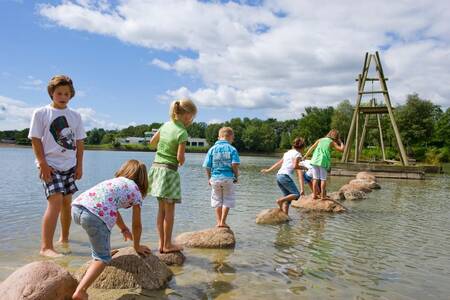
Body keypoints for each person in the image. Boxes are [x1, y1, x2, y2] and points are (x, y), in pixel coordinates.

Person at [71, 159, 151, 300]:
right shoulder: (136, 192)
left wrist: (123, 229)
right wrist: (136, 246)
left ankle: (102, 250)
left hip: (77, 208)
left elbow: (111, 208)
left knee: (96, 233)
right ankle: (81, 291)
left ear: (124, 171)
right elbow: (137, 224)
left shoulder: (114, 182)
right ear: (143, 180)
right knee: (103, 258)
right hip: (95, 215)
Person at [28, 75, 85, 257]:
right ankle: (46, 248)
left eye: (66, 94)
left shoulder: (75, 116)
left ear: (71, 95)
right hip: (50, 165)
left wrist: (79, 166)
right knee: (55, 202)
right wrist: (42, 163)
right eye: (59, 93)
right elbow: (35, 140)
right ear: (52, 93)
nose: (63, 96)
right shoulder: (41, 113)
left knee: (67, 203)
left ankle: (64, 239)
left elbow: (80, 143)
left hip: (70, 165)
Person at [148, 98, 197, 253]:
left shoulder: (165, 125)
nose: (192, 120)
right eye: (192, 116)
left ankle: (161, 244)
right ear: (187, 116)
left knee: (160, 210)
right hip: (169, 172)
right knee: (170, 211)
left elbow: (151, 142)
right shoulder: (182, 132)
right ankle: (168, 245)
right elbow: (179, 158)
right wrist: (182, 159)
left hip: (156, 169)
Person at [203, 127, 240, 228]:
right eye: (233, 138)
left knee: (217, 199)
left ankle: (218, 221)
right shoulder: (232, 149)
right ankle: (223, 222)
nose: (233, 140)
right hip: (228, 178)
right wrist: (236, 176)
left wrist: (209, 178)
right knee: (228, 199)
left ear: (219, 137)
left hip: (215, 178)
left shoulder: (212, 149)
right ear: (230, 137)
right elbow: (235, 164)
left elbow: (207, 166)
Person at [260, 138, 305, 215]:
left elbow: (278, 163)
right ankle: (280, 200)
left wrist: (268, 170)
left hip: (279, 176)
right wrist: (304, 167)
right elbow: (295, 166)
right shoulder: (298, 154)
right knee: (296, 195)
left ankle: (285, 215)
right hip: (285, 176)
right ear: (302, 147)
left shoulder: (287, 153)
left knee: (287, 199)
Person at [303, 129, 345, 200]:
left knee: (315, 178)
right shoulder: (331, 142)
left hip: (315, 160)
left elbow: (312, 147)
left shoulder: (320, 140)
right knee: (323, 179)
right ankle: (323, 196)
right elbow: (341, 149)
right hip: (323, 161)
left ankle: (314, 195)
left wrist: (305, 156)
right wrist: (341, 142)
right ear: (336, 136)